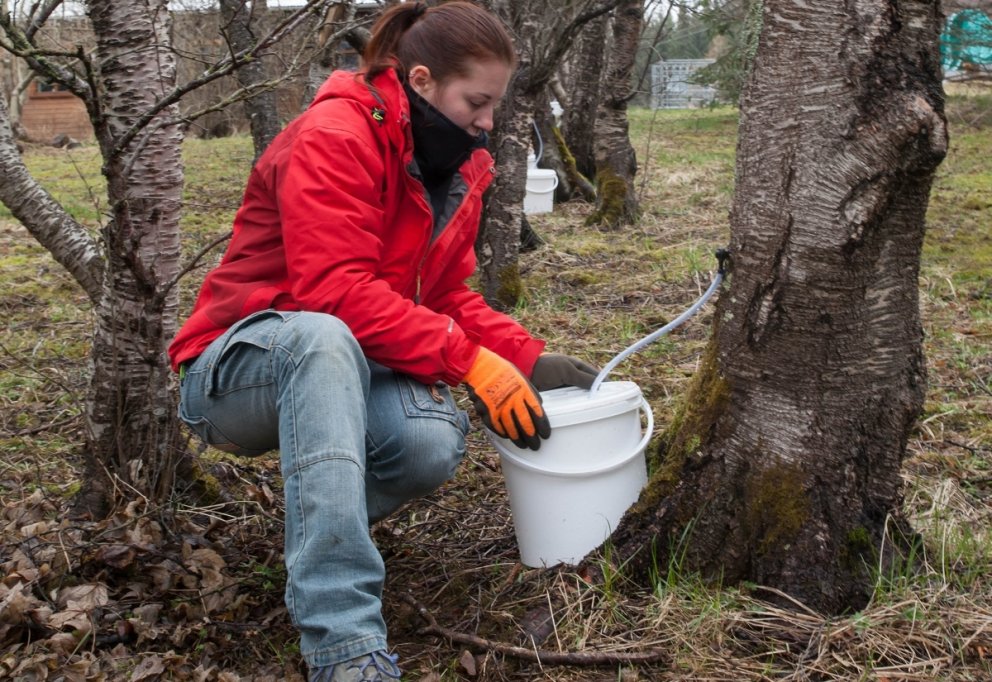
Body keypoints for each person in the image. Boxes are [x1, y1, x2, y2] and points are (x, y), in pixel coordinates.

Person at [168, 2, 597, 680]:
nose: (488, 122)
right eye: (477, 102)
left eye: (494, 106)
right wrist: (468, 362)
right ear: (421, 80)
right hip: (234, 371)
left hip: (341, 359)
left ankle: (318, 529)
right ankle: (342, 641)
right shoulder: (334, 134)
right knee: (320, 337)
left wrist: (524, 357)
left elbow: (449, 295)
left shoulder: (455, 167)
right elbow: (332, 291)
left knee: (427, 441)